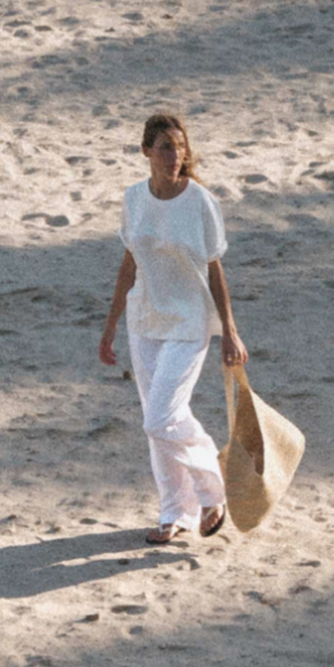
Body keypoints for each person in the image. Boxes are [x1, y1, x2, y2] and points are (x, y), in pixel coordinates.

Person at [97, 108, 248, 545]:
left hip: (190, 320)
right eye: (165, 148)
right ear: (146, 151)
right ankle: (173, 511)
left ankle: (211, 490)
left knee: (161, 417)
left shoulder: (200, 201)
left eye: (180, 147)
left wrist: (230, 331)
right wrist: (110, 327)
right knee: (156, 420)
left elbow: (215, 268)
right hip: (145, 319)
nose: (174, 156)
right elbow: (129, 264)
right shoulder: (133, 199)